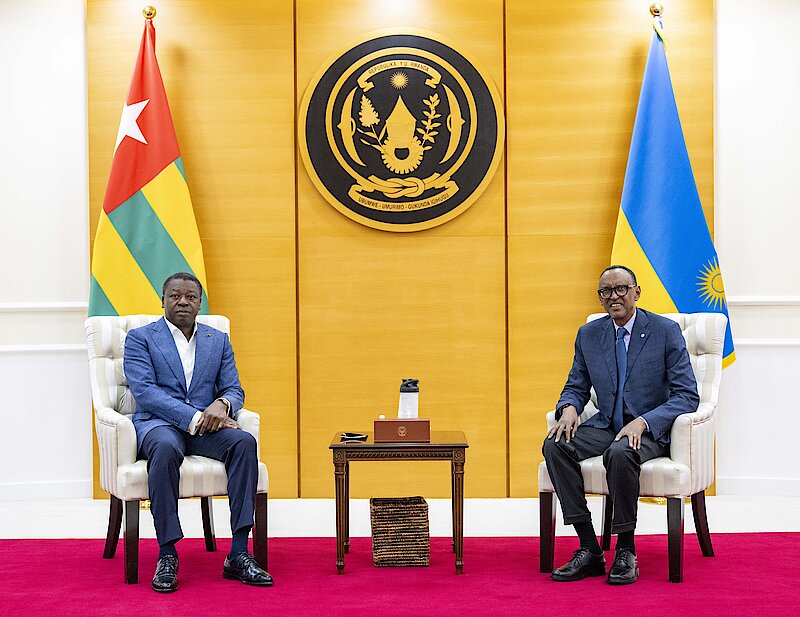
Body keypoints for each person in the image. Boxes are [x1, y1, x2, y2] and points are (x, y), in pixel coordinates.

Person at [542, 265, 699, 585]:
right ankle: (589, 547)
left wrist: (644, 421)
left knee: (620, 452)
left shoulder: (665, 331)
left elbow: (687, 395)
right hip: (606, 426)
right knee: (554, 445)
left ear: (636, 292)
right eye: (606, 291)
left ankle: (626, 549)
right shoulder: (589, 335)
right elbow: (576, 386)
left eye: (621, 289)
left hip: (648, 430)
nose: (613, 296)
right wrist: (569, 408)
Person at [124, 272, 273, 592]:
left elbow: (234, 388)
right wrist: (195, 417)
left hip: (207, 427)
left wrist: (222, 404)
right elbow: (145, 392)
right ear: (162, 300)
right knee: (165, 448)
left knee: (244, 442)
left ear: (200, 303)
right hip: (160, 424)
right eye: (175, 295)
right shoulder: (140, 338)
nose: (183, 302)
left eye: (190, 297)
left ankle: (238, 553)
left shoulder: (217, 340)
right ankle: (167, 553)